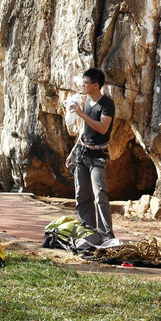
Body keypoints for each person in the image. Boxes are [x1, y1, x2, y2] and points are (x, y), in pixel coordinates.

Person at [65, 67, 115, 240]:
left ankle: (106, 234)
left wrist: (81, 114)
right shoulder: (86, 103)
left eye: (86, 83)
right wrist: (73, 151)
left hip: (98, 156)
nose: (83, 85)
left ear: (95, 85)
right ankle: (88, 231)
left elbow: (102, 128)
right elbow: (84, 130)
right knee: (81, 194)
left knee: (100, 193)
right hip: (82, 153)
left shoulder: (107, 104)